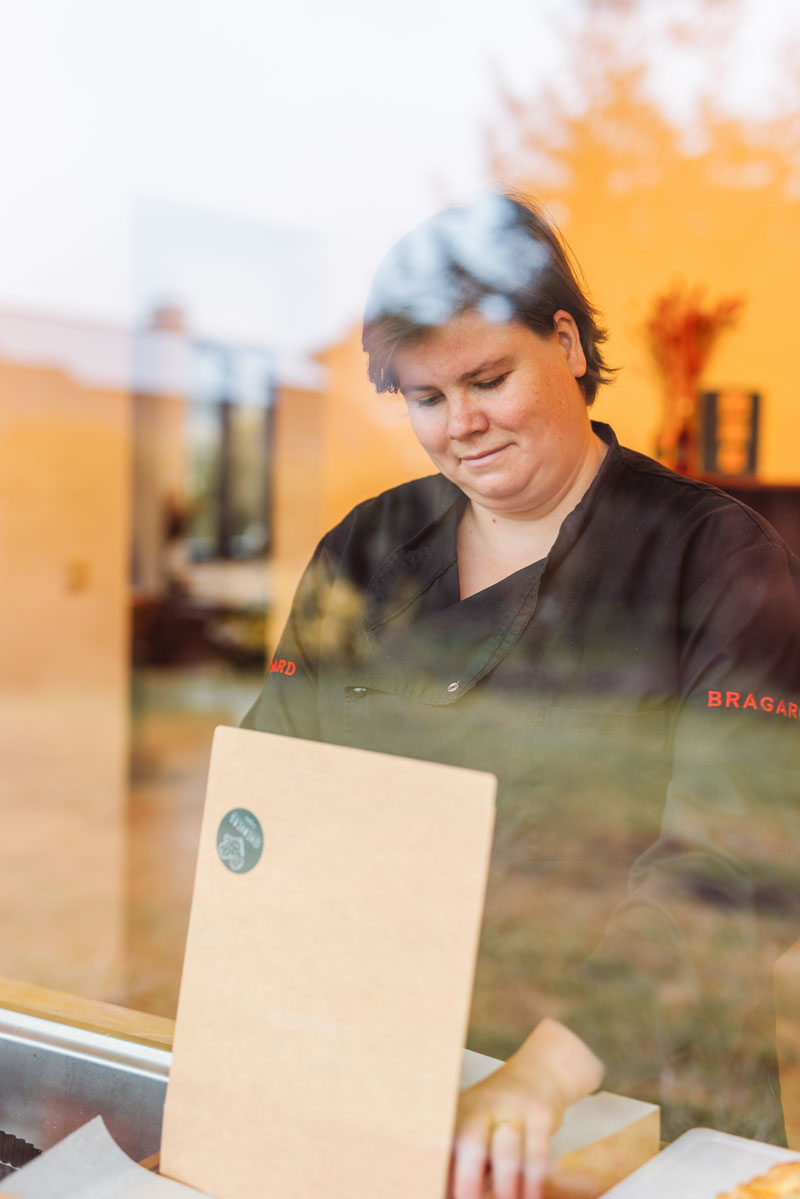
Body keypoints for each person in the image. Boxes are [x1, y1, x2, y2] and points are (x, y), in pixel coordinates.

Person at [243, 193, 800, 1195]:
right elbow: (274, 802)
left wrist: (536, 1078)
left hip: (634, 1105)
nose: (460, 426)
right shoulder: (363, 549)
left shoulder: (713, 555)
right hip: (399, 1082)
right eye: (423, 398)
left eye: (486, 379)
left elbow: (731, 870)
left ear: (567, 342)